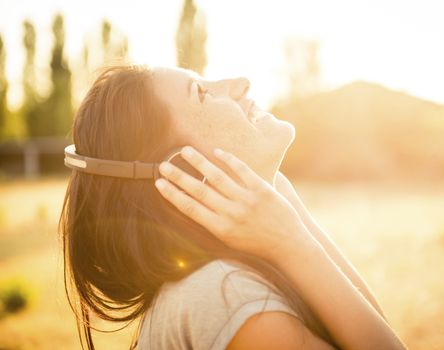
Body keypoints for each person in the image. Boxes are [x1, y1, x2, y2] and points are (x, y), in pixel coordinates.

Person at [59, 64, 408, 350]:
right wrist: (292, 243)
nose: (241, 83)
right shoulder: (226, 296)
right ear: (185, 171)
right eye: (201, 93)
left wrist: (277, 193)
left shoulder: (225, 281)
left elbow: (372, 330)